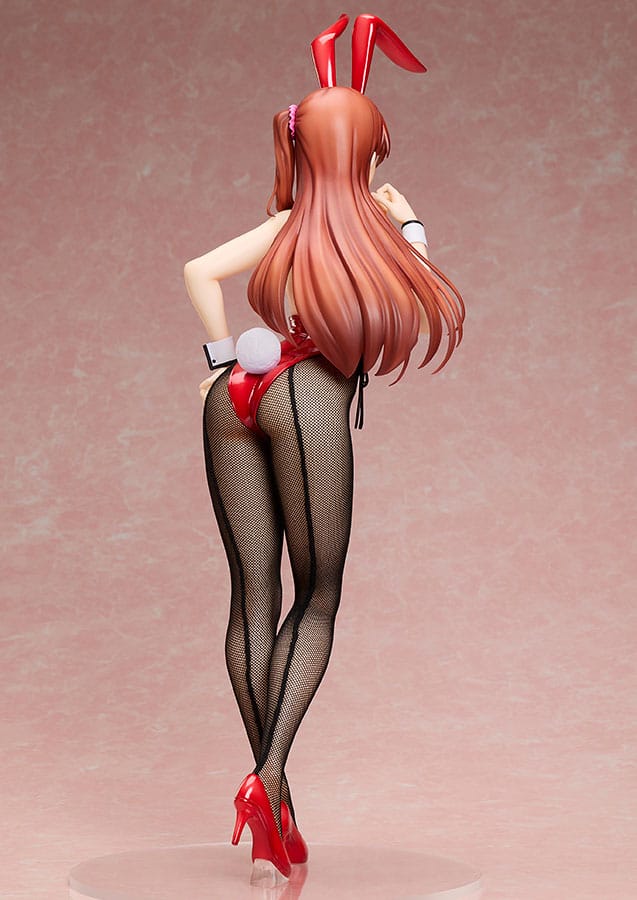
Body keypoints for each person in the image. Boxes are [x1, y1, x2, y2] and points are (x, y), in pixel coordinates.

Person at [183, 13, 464, 883]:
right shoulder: (374, 223)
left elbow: (198, 272)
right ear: (365, 153)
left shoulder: (287, 225)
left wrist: (220, 360)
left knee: (251, 594)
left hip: (233, 395)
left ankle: (276, 805)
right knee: (317, 596)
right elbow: (419, 287)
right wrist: (407, 219)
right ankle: (265, 778)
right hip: (304, 395)